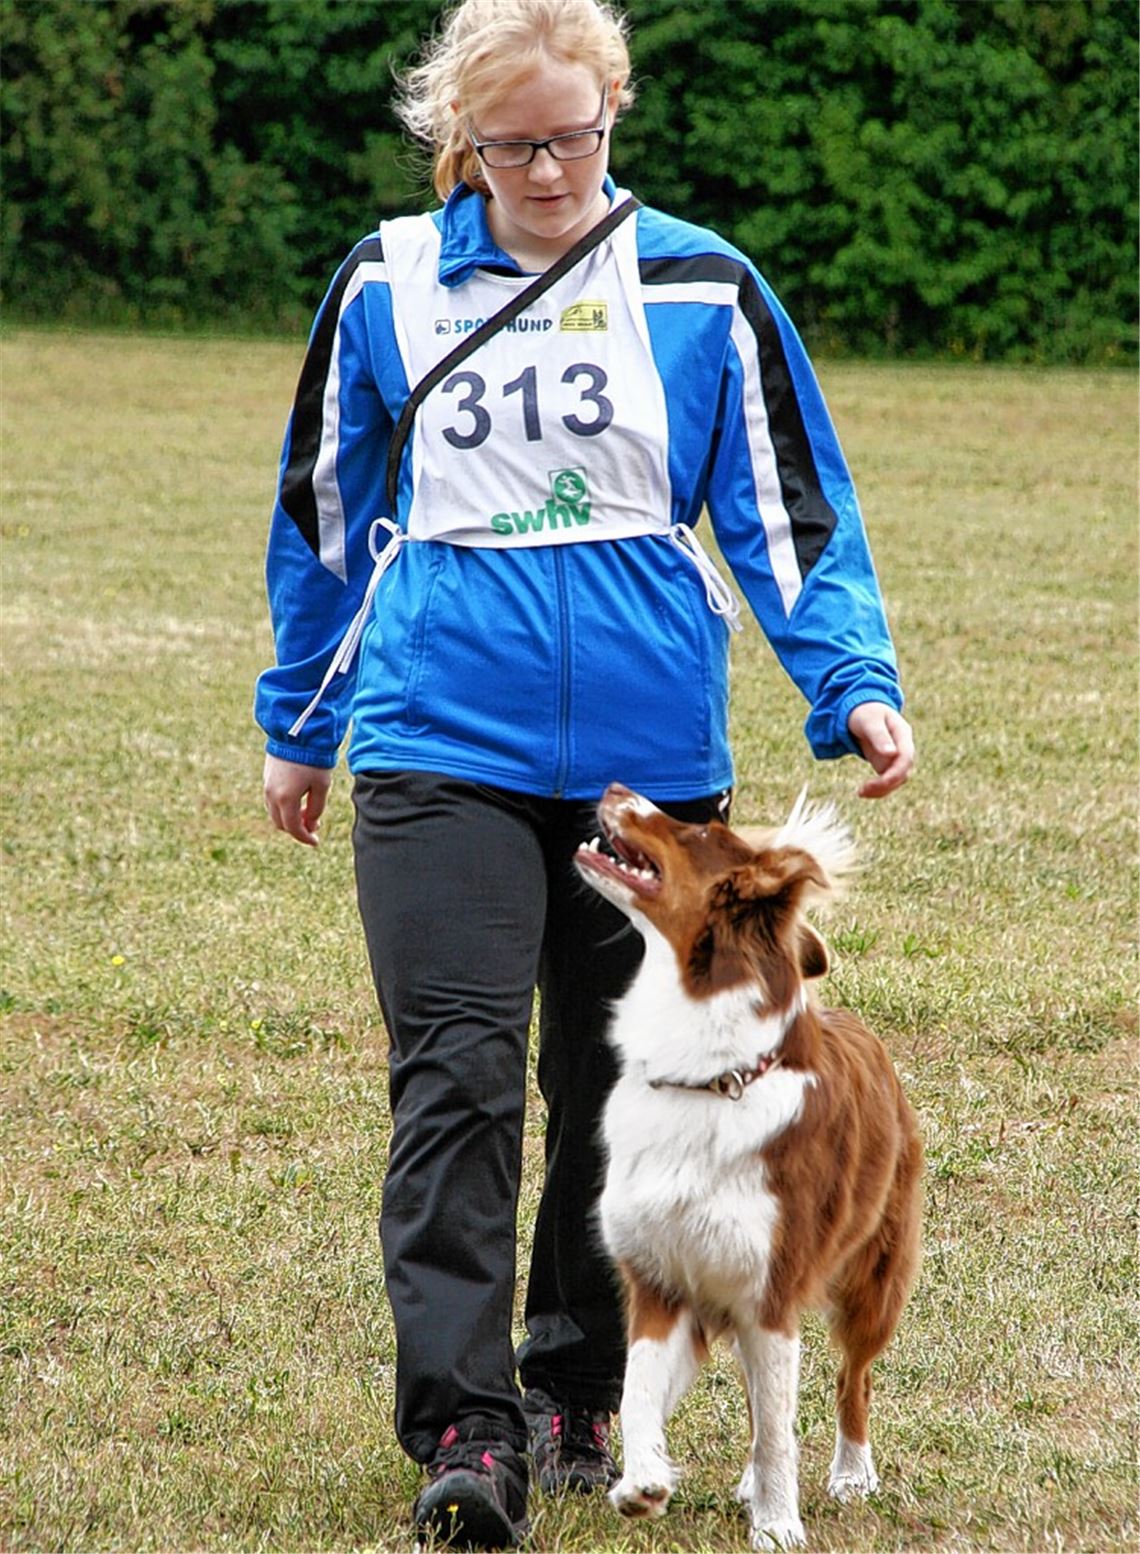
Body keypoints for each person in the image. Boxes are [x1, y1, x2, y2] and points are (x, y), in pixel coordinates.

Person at [257, 0, 915, 1545]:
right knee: (459, 1076)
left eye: (575, 136)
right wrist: (301, 716)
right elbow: (326, 509)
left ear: (614, 113)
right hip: (438, 743)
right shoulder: (388, 283)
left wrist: (855, 686)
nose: (548, 171)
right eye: (511, 144)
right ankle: (465, 1430)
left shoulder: (700, 285)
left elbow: (786, 506)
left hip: (646, 771)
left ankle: (574, 1381)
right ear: (458, 141)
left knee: (610, 1088)